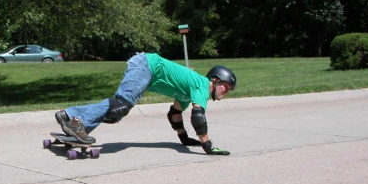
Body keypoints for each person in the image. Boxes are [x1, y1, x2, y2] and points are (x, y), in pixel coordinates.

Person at [54, 52, 236, 155]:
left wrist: (184, 138)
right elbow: (198, 116)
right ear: (215, 80)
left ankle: (69, 115)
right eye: (226, 87)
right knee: (120, 106)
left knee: (119, 106)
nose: (226, 92)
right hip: (147, 65)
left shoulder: (189, 93)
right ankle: (79, 124)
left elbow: (174, 114)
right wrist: (207, 145)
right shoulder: (202, 86)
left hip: (146, 67)